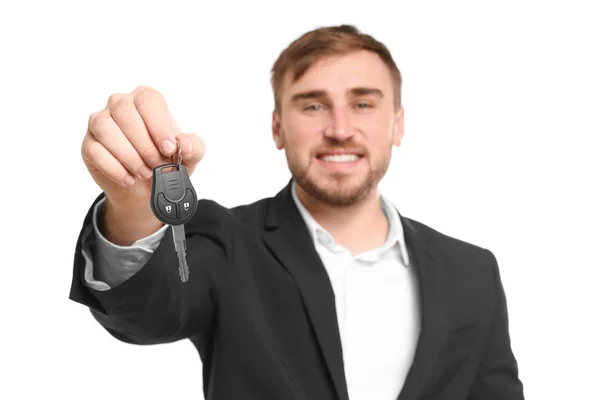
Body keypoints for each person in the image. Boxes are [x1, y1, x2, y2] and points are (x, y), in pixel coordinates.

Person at [69, 24, 524, 400]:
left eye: (363, 103)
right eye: (313, 105)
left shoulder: (473, 272)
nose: (340, 129)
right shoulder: (227, 243)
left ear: (397, 124)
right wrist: (131, 199)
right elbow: (146, 315)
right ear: (277, 127)